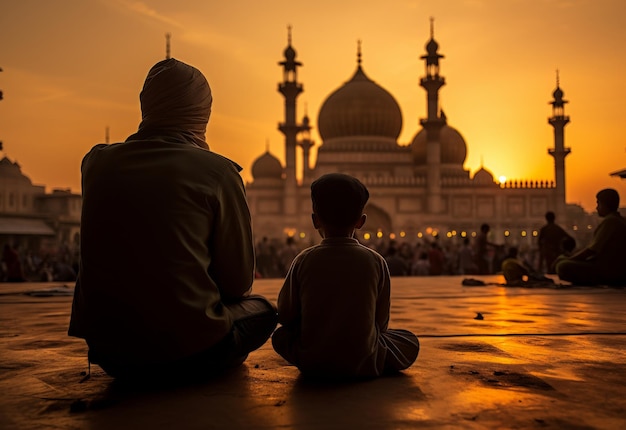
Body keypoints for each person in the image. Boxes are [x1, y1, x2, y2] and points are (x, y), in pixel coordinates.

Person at [68, 58, 277, 380]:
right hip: (192, 352)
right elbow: (238, 283)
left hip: (111, 353)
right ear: (202, 111)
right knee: (265, 310)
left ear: (147, 105)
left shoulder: (95, 163)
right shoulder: (218, 172)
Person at [271, 173, 420, 379]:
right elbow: (381, 324)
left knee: (280, 336)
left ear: (315, 220)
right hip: (364, 361)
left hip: (313, 361)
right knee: (409, 340)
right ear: (361, 221)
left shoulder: (303, 260)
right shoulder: (376, 261)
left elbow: (286, 314)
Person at [556, 188, 626, 286]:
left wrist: (570, 259)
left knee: (562, 265)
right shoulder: (620, 220)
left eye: (598, 204)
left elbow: (591, 251)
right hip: (617, 270)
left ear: (605, 205)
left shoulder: (610, 221)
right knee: (563, 259)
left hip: (609, 271)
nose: (597, 208)